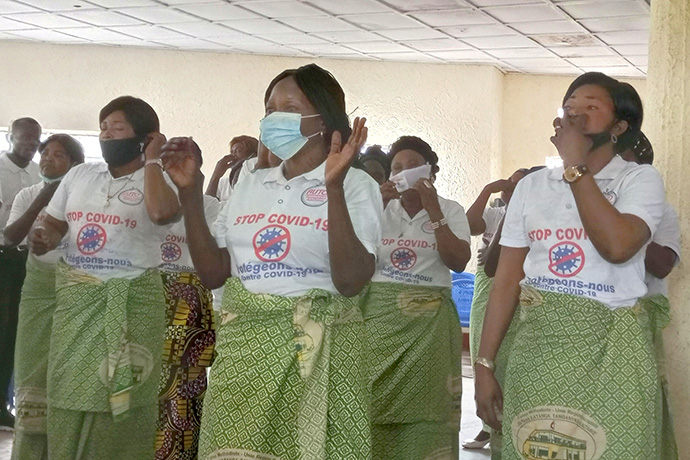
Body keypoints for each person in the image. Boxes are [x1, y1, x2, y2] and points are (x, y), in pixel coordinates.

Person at [161, 63, 382, 460]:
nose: (274, 118)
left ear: (324, 118)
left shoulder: (357, 185)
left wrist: (332, 188)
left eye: (290, 107)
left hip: (319, 355)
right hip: (244, 352)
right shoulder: (251, 182)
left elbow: (350, 281)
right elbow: (214, 273)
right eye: (269, 109)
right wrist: (190, 195)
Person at [475, 72, 678, 459]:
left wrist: (575, 167)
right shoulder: (533, 188)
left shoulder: (641, 179)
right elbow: (504, 281)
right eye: (570, 108)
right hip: (538, 353)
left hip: (613, 355)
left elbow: (618, 246)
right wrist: (484, 365)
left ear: (620, 126)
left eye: (591, 108)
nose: (576, 116)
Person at [28, 96, 181, 459]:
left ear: (145, 136)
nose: (107, 134)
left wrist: (154, 160)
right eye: (103, 127)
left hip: (132, 304)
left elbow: (161, 214)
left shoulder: (161, 180)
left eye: (118, 128)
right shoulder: (81, 175)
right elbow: (54, 223)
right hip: (78, 302)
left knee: (123, 397)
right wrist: (44, 235)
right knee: (67, 388)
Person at [363, 135, 470, 459]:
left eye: (413, 166)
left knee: (429, 407)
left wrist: (434, 209)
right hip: (380, 321)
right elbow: (353, 258)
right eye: (397, 167)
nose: (404, 173)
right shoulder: (377, 208)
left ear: (431, 171)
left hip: (429, 330)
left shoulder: (451, 210)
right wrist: (376, 206)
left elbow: (458, 260)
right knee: (371, 401)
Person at [5, 134, 84, 459]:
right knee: (32, 367)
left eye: (59, 155)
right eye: (45, 154)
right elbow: (10, 237)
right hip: (37, 290)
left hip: (77, 288)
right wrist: (46, 197)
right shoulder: (28, 194)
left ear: (75, 164)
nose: (49, 159)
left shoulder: (85, 196)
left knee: (68, 369)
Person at [619, 131, 680, 460]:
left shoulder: (663, 213)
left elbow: (663, 265)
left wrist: (627, 228)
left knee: (636, 411)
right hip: (593, 320)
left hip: (638, 324)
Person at [156, 174, 221, 460]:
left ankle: (180, 453)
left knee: (184, 384)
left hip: (189, 301)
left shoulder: (210, 207)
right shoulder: (151, 202)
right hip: (149, 294)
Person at [462, 168, 527, 450]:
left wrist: (516, 207)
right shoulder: (494, 211)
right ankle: (487, 425)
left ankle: (501, 425)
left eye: (518, 187)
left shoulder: (527, 214)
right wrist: (488, 189)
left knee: (507, 357)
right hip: (486, 286)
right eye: (508, 185)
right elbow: (469, 225)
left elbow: (494, 260)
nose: (510, 191)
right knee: (481, 352)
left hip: (514, 286)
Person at [0, 117, 42, 431]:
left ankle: (4, 406)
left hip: (28, 261)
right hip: (2, 257)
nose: (29, 146)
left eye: (35, 140)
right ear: (10, 138)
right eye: (24, 139)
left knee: (15, 334)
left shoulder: (41, 173)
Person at [205, 135, 258, 201]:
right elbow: (207, 205)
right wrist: (216, 176)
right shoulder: (223, 183)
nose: (233, 156)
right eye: (232, 152)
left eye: (238, 151)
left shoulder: (256, 179)